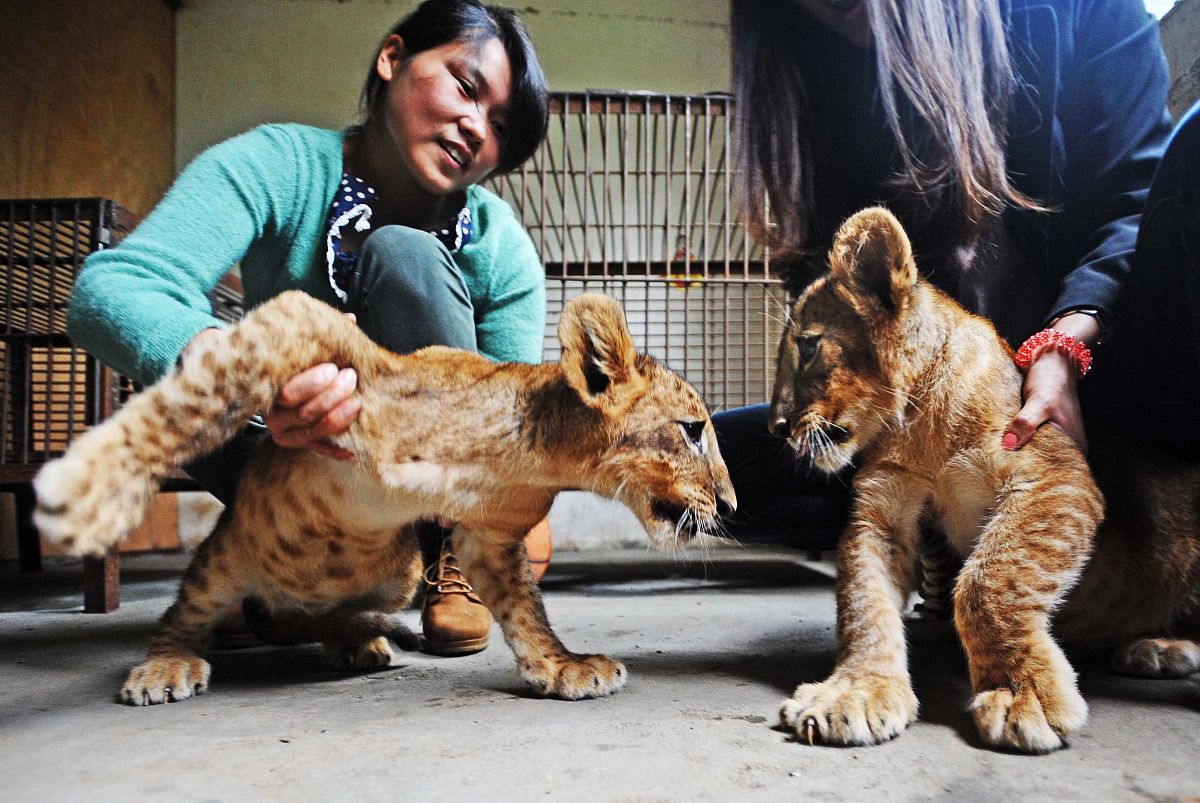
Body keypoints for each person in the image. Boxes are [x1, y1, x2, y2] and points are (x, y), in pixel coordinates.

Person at [67, 0, 552, 656]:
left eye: (498, 125)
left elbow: (513, 424)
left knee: (403, 253)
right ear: (392, 58)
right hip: (291, 457)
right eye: (466, 88)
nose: (474, 126)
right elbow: (110, 289)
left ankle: (451, 560)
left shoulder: (502, 247)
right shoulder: (279, 165)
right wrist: (244, 368)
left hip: (432, 493)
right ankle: (302, 579)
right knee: (193, 379)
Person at [718, 0, 1200, 551]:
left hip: (1103, 376)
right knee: (691, 460)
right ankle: (944, 522)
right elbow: (833, 296)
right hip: (939, 414)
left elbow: (1133, 205)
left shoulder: (1085, 11)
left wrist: (1062, 343)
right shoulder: (811, 61)